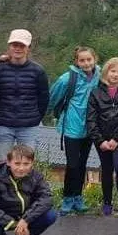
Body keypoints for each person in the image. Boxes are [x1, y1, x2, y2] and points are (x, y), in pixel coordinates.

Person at [48, 46, 100, 215]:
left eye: (89, 59)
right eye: (82, 60)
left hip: (90, 126)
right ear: (76, 62)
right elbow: (53, 96)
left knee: (83, 163)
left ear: (95, 59)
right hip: (72, 126)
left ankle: (78, 197)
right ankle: (67, 198)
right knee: (72, 164)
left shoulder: (99, 75)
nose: (86, 63)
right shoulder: (67, 79)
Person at [0, 29, 50, 162]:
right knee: (2, 164)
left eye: (22, 45)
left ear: (28, 48)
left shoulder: (38, 71)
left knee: (26, 164)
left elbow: (44, 98)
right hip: (3, 124)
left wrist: (35, 117)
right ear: (9, 46)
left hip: (29, 126)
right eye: (14, 45)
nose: (18, 49)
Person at [87, 57, 118, 216]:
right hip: (102, 139)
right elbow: (91, 119)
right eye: (112, 71)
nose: (115, 75)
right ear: (106, 72)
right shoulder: (95, 93)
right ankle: (107, 203)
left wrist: (117, 139)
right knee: (107, 169)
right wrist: (100, 140)